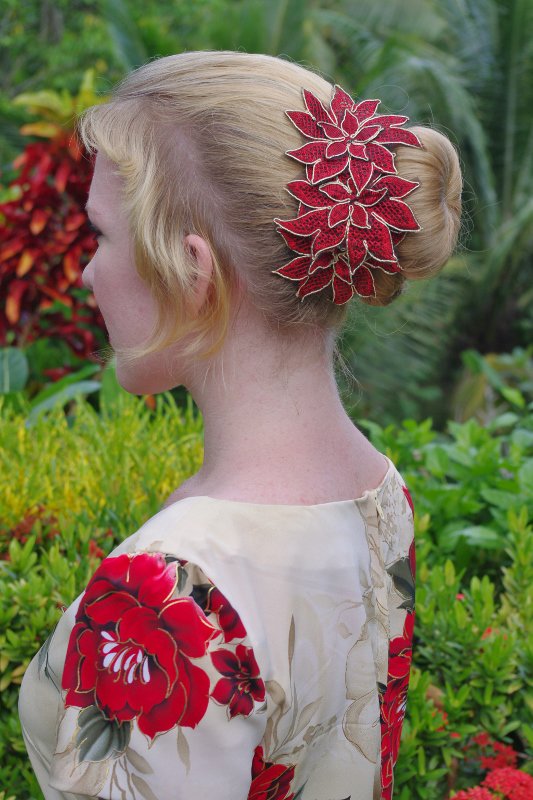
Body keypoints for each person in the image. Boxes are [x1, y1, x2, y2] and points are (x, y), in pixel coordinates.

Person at [18, 50, 462, 800]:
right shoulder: (377, 494)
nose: (88, 273)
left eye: (100, 236)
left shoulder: (168, 589)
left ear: (192, 275)